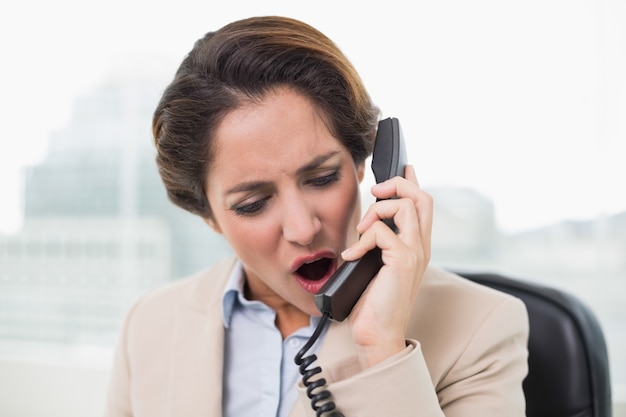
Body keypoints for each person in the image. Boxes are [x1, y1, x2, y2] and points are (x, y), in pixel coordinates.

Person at [105, 15, 529, 417]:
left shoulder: (482, 328)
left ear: (366, 165)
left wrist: (382, 348)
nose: (303, 228)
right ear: (208, 216)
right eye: (252, 203)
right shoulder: (149, 325)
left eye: (323, 178)